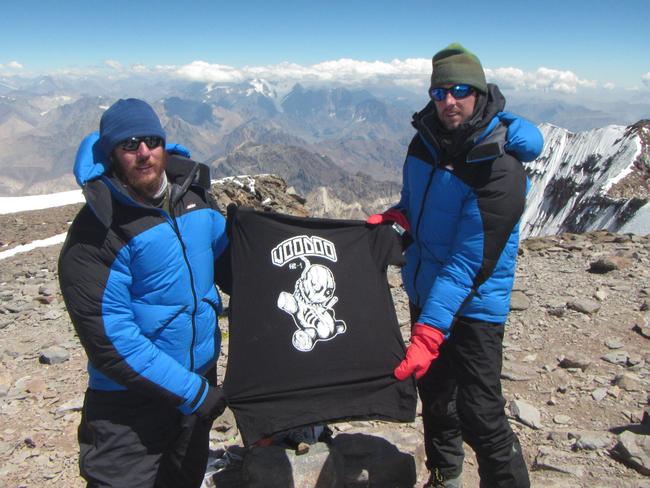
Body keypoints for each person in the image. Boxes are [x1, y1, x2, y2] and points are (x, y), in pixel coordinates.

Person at [368, 43, 543, 487]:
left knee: (481, 413)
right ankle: (445, 475)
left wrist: (428, 334)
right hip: (427, 292)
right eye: (439, 92)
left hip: (475, 306)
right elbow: (417, 206)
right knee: (436, 395)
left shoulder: (501, 169)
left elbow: (468, 263)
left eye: (460, 90)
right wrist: (395, 220)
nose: (448, 101)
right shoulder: (424, 141)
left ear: (479, 92)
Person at [58, 98, 230, 488]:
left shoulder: (195, 200)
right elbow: (112, 343)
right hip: (129, 406)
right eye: (130, 144)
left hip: (198, 385)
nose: (144, 153)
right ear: (112, 153)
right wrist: (195, 393)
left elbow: (232, 263)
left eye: (151, 140)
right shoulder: (94, 235)